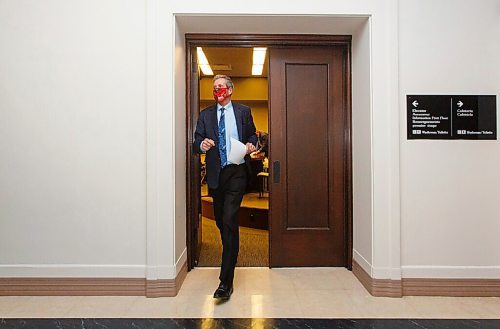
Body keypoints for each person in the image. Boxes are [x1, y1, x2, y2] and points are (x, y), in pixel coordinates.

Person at [193, 75, 257, 300]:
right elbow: (196, 142)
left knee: (229, 220)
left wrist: (251, 144)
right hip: (215, 174)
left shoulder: (243, 112)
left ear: (230, 90)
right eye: (214, 88)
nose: (217, 90)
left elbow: (252, 135)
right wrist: (202, 144)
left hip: (237, 171)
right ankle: (232, 248)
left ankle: (225, 282)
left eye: (221, 87)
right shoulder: (205, 115)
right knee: (221, 221)